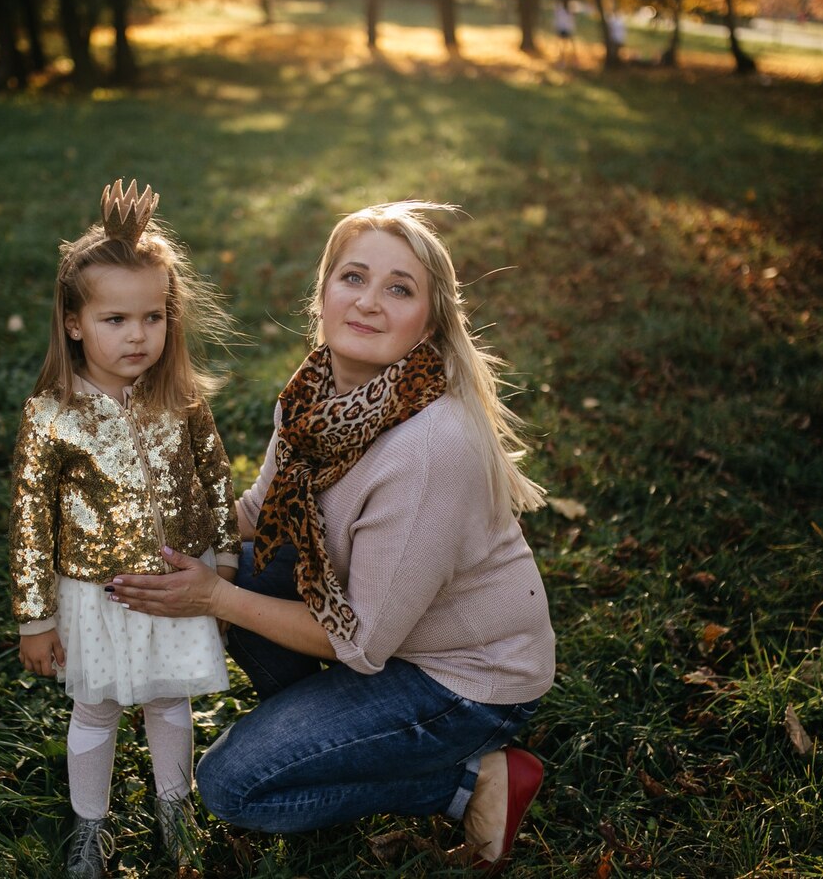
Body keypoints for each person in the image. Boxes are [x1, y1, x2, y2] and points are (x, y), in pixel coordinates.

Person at [107, 200, 557, 871]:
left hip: (463, 682)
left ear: (429, 322)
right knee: (249, 563)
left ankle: (468, 778)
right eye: (354, 277)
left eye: (399, 288)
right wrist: (160, 542)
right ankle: (336, 733)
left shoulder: (426, 450)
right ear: (322, 294)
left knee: (234, 785)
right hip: (382, 631)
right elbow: (260, 514)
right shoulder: (312, 395)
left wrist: (212, 598)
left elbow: (364, 642)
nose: (370, 301)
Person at [8, 180, 239, 877]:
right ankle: (89, 826)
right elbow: (29, 524)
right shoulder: (52, 416)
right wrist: (33, 619)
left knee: (170, 701)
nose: (138, 335)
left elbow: (217, 475)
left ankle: (177, 813)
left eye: (153, 317)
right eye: (115, 319)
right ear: (75, 323)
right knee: (97, 708)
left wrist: (223, 561)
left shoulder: (182, 400)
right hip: (95, 594)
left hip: (175, 583)